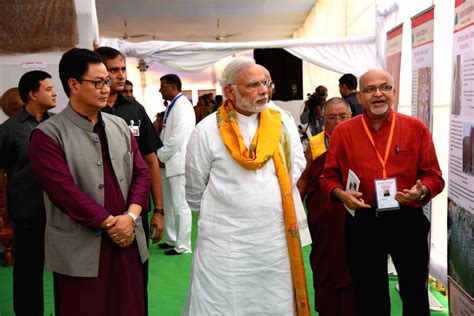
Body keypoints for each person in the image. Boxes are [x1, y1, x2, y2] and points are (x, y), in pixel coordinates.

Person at [28, 48, 150, 316]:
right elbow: (64, 192)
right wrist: (111, 223)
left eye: (107, 81)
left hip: (127, 242)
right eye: (98, 82)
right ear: (73, 84)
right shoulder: (47, 135)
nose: (107, 88)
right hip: (81, 248)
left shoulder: (118, 125)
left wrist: (130, 217)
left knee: (131, 307)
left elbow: (142, 174)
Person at [183, 57, 309, 315]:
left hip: (274, 237)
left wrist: (271, 195)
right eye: (253, 85)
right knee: (222, 301)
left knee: (274, 300)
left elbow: (296, 164)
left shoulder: (281, 120)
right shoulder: (207, 130)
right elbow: (195, 187)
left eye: (266, 83)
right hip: (226, 240)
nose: (264, 91)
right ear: (229, 90)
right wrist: (228, 212)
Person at [320, 69, 445, 315]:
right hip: (365, 222)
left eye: (385, 88)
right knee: (370, 295)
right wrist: (341, 194)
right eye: (370, 90)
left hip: (407, 219)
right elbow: (328, 177)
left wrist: (422, 190)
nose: (378, 94)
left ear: (394, 93)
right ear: (360, 97)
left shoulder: (415, 128)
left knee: (415, 294)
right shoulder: (344, 132)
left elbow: (434, 176)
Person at [95, 46, 163, 314]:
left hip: (135, 211)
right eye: (114, 70)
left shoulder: (134, 109)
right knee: (102, 282)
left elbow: (150, 161)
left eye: (123, 69)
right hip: (98, 214)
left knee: (137, 278)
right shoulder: (88, 113)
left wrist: (158, 209)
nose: (121, 75)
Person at [0, 70, 57, 316]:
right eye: (48, 89)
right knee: (28, 272)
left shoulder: (58, 124)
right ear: (32, 95)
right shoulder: (10, 130)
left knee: (65, 269)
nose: (55, 93)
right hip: (27, 212)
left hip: (60, 211)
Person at [297, 97, 356, 315]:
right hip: (323, 216)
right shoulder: (315, 144)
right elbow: (304, 178)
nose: (338, 121)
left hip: (352, 215)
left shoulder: (358, 140)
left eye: (343, 117)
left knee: (353, 262)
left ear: (351, 117)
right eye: (332, 117)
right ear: (323, 119)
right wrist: (295, 207)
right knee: (324, 262)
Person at [157, 74, 195, 255]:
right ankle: (172, 238)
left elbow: (178, 136)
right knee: (169, 205)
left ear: (172, 87)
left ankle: (183, 245)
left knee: (180, 205)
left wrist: (160, 155)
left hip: (177, 162)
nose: (160, 90)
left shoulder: (183, 106)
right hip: (168, 162)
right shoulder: (173, 106)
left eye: (162, 87)